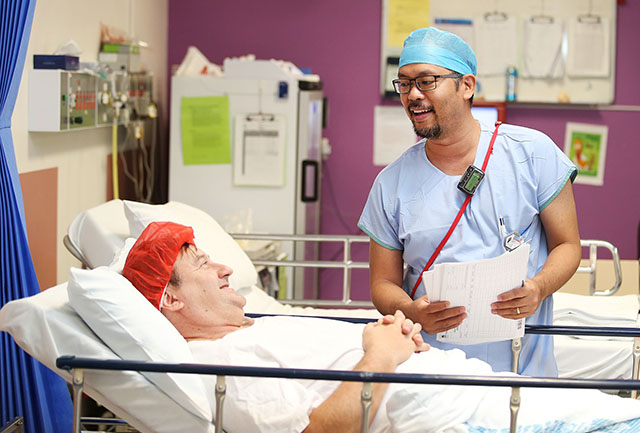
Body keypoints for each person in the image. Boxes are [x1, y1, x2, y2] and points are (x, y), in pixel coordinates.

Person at [122, 221, 640, 433]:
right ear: (169, 298)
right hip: (453, 414)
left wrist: (397, 339)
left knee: (614, 413)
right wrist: (382, 354)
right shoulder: (220, 367)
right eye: (203, 265)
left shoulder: (259, 327)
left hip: (460, 385)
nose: (225, 268)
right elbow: (318, 430)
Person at [357, 27, 581, 377]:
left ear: (467, 86)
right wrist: (412, 311)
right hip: (431, 367)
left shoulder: (532, 154)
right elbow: (382, 284)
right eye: (404, 83)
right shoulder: (391, 184)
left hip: (523, 368)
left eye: (427, 81)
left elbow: (568, 245)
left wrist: (537, 288)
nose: (413, 95)